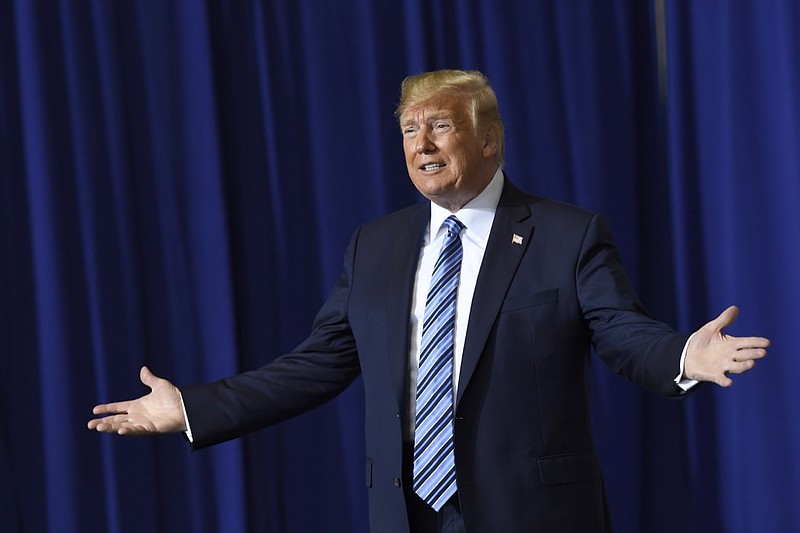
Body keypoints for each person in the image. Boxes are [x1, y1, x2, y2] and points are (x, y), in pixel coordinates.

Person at [89, 69, 769, 532]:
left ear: (488, 140)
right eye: (410, 131)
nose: (422, 144)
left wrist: (683, 353)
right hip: (406, 515)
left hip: (531, 513)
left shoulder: (567, 234)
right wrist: (191, 408)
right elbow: (314, 365)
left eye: (439, 127)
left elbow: (622, 333)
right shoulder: (375, 246)